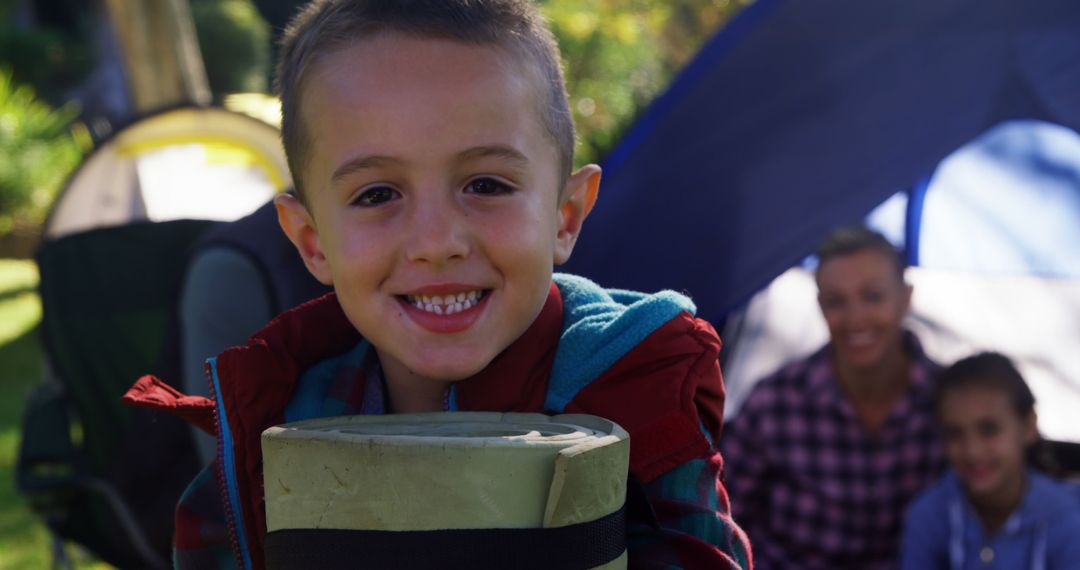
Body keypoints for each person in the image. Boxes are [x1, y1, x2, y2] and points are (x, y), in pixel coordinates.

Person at [122, 0, 752, 568]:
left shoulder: (635, 387)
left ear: (566, 216)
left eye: (486, 185)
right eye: (377, 194)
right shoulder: (277, 412)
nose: (436, 242)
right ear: (311, 241)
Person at [720, 225, 944, 569]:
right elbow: (722, 522)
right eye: (836, 302)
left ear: (906, 297)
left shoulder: (948, 402)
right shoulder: (775, 404)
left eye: (873, 296)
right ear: (821, 307)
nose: (855, 319)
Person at [900, 352, 1080, 569]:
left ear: (1029, 426)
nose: (973, 451)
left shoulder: (1068, 517)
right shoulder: (929, 516)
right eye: (955, 433)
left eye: (989, 430)